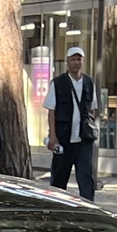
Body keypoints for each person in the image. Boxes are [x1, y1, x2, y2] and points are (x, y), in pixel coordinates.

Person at [48, 46, 101, 202]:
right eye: (73, 59)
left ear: (83, 61)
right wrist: (53, 136)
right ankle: (56, 208)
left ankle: (88, 209)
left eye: (79, 59)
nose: (76, 62)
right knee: (59, 178)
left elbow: (92, 109)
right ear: (67, 62)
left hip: (83, 141)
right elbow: (51, 110)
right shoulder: (57, 83)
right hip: (64, 138)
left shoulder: (89, 83)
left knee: (86, 179)